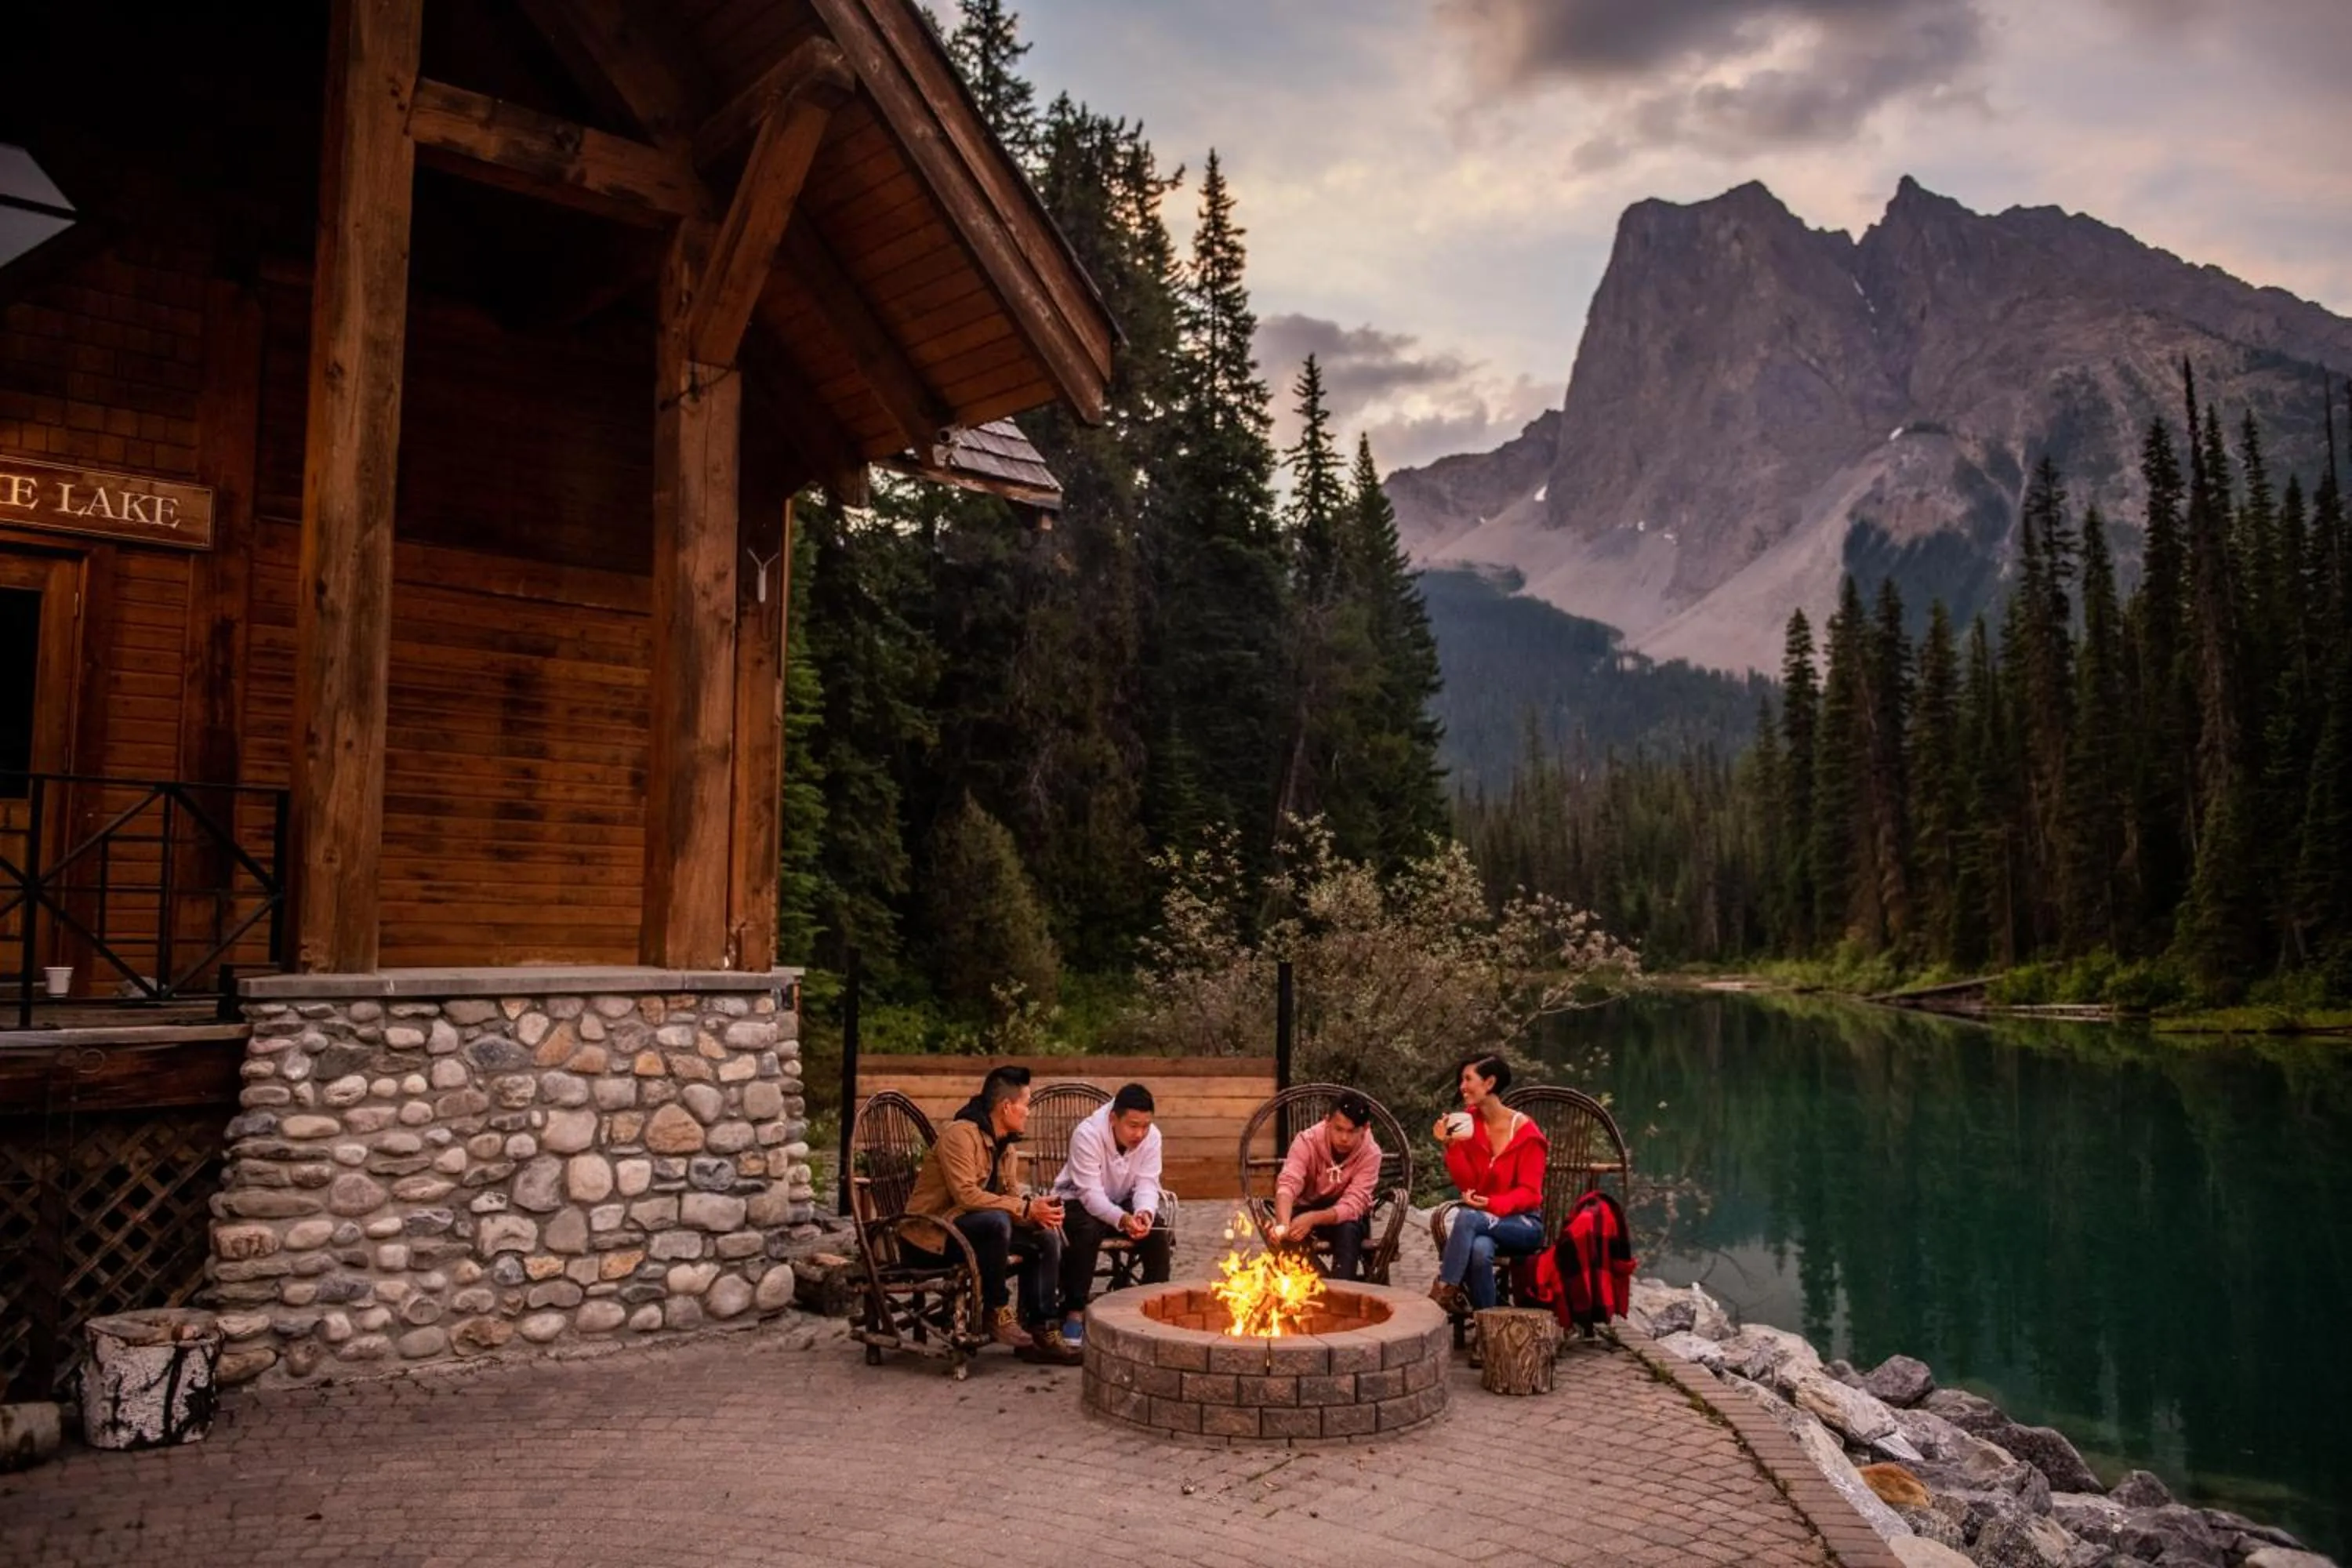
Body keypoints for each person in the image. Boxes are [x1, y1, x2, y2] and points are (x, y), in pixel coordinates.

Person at [902, 1065, 1082, 1366]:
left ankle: (1042, 1329)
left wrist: (1036, 1211)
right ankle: (995, 1309)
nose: (1028, 1112)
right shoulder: (960, 1135)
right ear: (1006, 1106)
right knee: (996, 1222)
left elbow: (1009, 1198)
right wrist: (1022, 1209)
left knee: (1045, 1236)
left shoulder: (1006, 1147)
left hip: (977, 1234)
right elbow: (966, 1196)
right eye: (1026, 1105)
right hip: (930, 1238)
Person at [1049, 1082, 1172, 1347]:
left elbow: (1148, 1183)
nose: (1140, 1133)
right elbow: (1090, 1195)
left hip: (1121, 1199)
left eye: (1145, 1125)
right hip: (1076, 1201)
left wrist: (1143, 1213)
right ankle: (1075, 1311)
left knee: (1157, 1233)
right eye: (1133, 1125)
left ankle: (1151, 1306)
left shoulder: (1153, 1137)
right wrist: (1122, 1219)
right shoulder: (1087, 1135)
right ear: (1114, 1118)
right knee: (1087, 1230)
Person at [1430, 1054, 1549, 1316]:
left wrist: (1493, 1205)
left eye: (1468, 1079)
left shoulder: (1527, 1134)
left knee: (1468, 1218)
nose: (1462, 1086)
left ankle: (1445, 1288)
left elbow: (1531, 1195)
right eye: (1462, 1079)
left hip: (1524, 1224)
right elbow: (1469, 1184)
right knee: (1479, 1250)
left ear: (1490, 1083)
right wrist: (1451, 1148)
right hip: (1484, 1220)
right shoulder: (1468, 1124)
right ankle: (1488, 1331)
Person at [1262, 1092, 1382, 1280]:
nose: (1344, 1138)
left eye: (1351, 1132)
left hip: (1345, 1217)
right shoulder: (1306, 1141)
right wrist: (1283, 1223)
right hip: (1305, 1206)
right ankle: (1309, 1291)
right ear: (1327, 1121)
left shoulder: (1371, 1153)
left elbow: (1354, 1204)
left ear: (1365, 1129)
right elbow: (1288, 1183)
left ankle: (1343, 1291)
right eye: (1338, 1129)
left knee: (1349, 1231)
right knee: (1289, 1237)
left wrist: (1314, 1219)